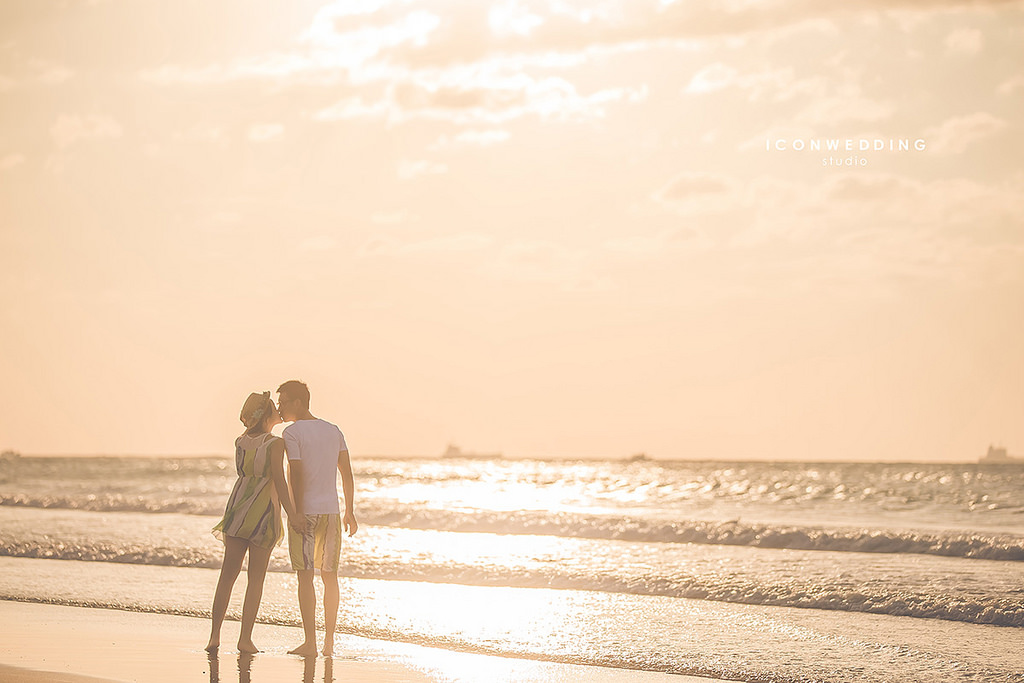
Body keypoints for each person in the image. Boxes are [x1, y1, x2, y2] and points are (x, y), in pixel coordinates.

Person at [206, 391, 299, 653]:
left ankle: (214, 636)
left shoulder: (240, 441)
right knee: (255, 579)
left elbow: (244, 473)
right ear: (266, 415)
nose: (278, 411)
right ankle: (245, 639)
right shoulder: (276, 443)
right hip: (262, 513)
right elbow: (279, 481)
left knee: (227, 576)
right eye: (274, 408)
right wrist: (292, 515)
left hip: (237, 509)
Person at [277, 380, 358, 657]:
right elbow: (346, 472)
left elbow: (295, 473)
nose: (280, 406)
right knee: (330, 577)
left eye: (284, 401)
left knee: (305, 578)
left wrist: (295, 512)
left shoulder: (292, 433)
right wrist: (350, 510)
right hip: (332, 513)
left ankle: (310, 643)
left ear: (299, 402)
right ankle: (328, 644)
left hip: (306, 512)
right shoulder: (333, 430)